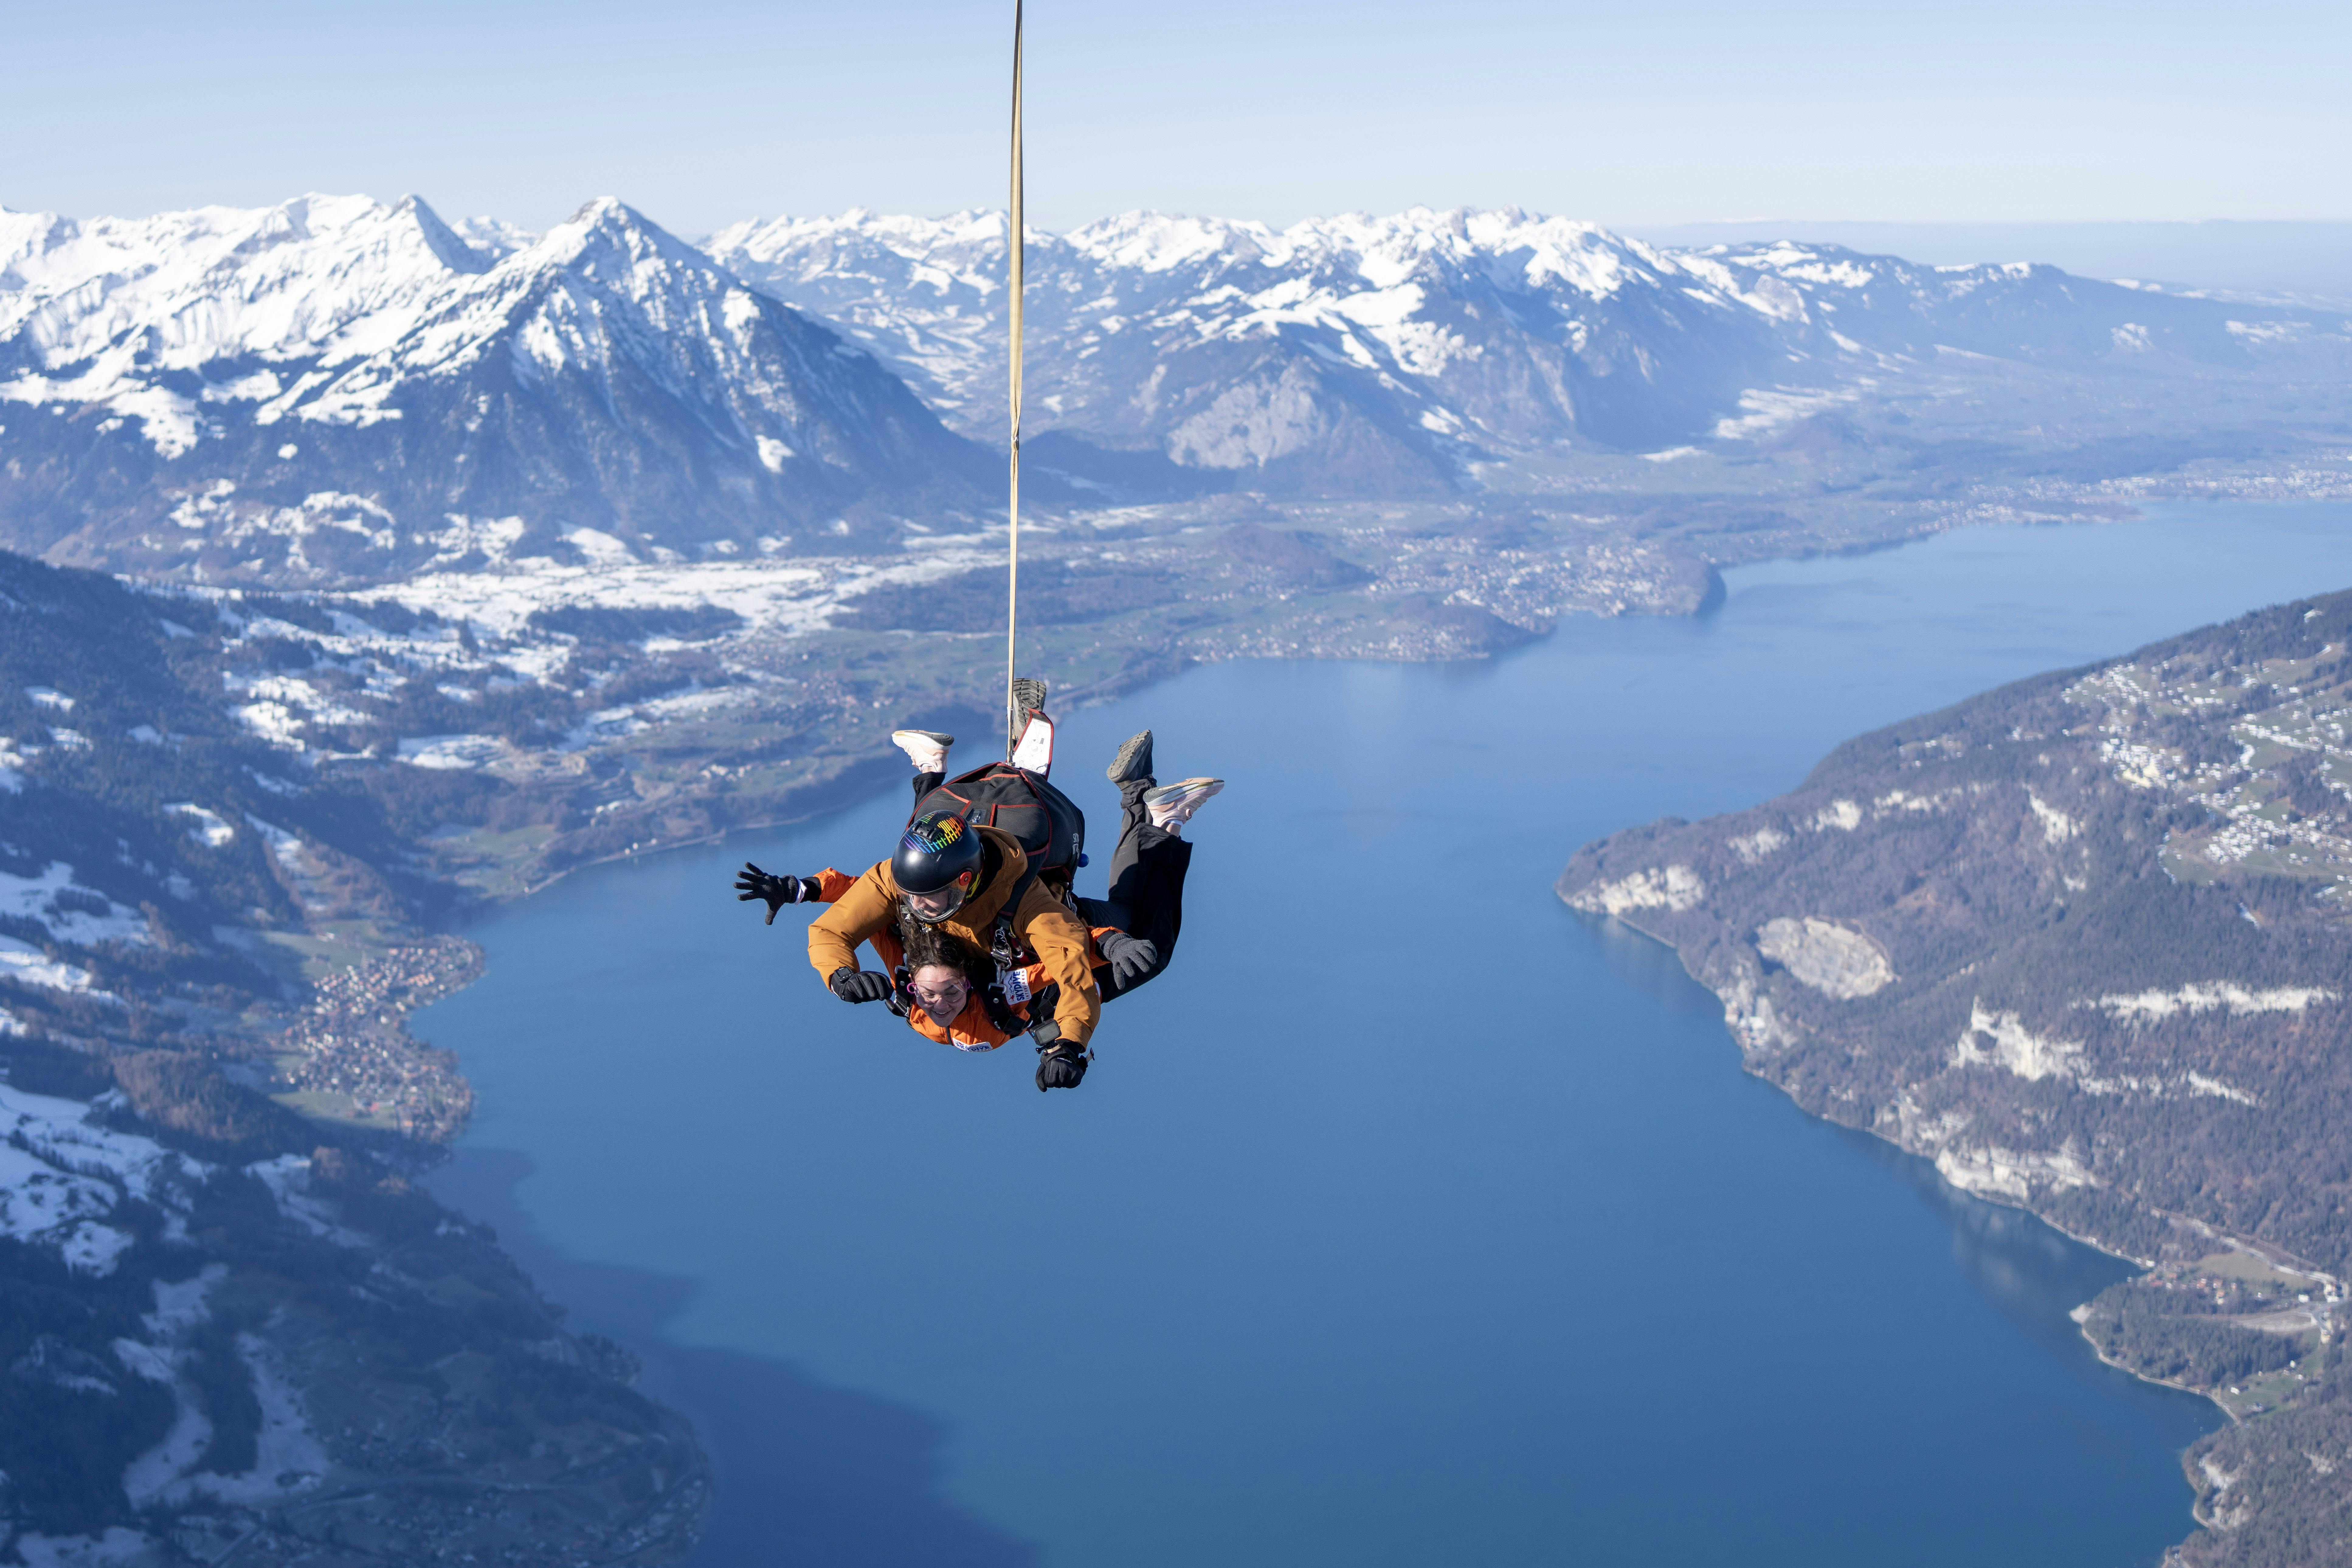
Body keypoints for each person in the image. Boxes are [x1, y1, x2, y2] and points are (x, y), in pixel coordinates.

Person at [734, 720, 1222, 1090]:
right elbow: (842, 919)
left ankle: (1156, 817)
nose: (924, 907)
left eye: (936, 897)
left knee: (1148, 945)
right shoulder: (899, 883)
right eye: (941, 998)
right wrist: (834, 960)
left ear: (967, 881)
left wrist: (1107, 956)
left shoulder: (1022, 901)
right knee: (924, 849)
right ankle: (936, 769)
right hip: (1009, 954)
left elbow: (1067, 960)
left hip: (1037, 917)